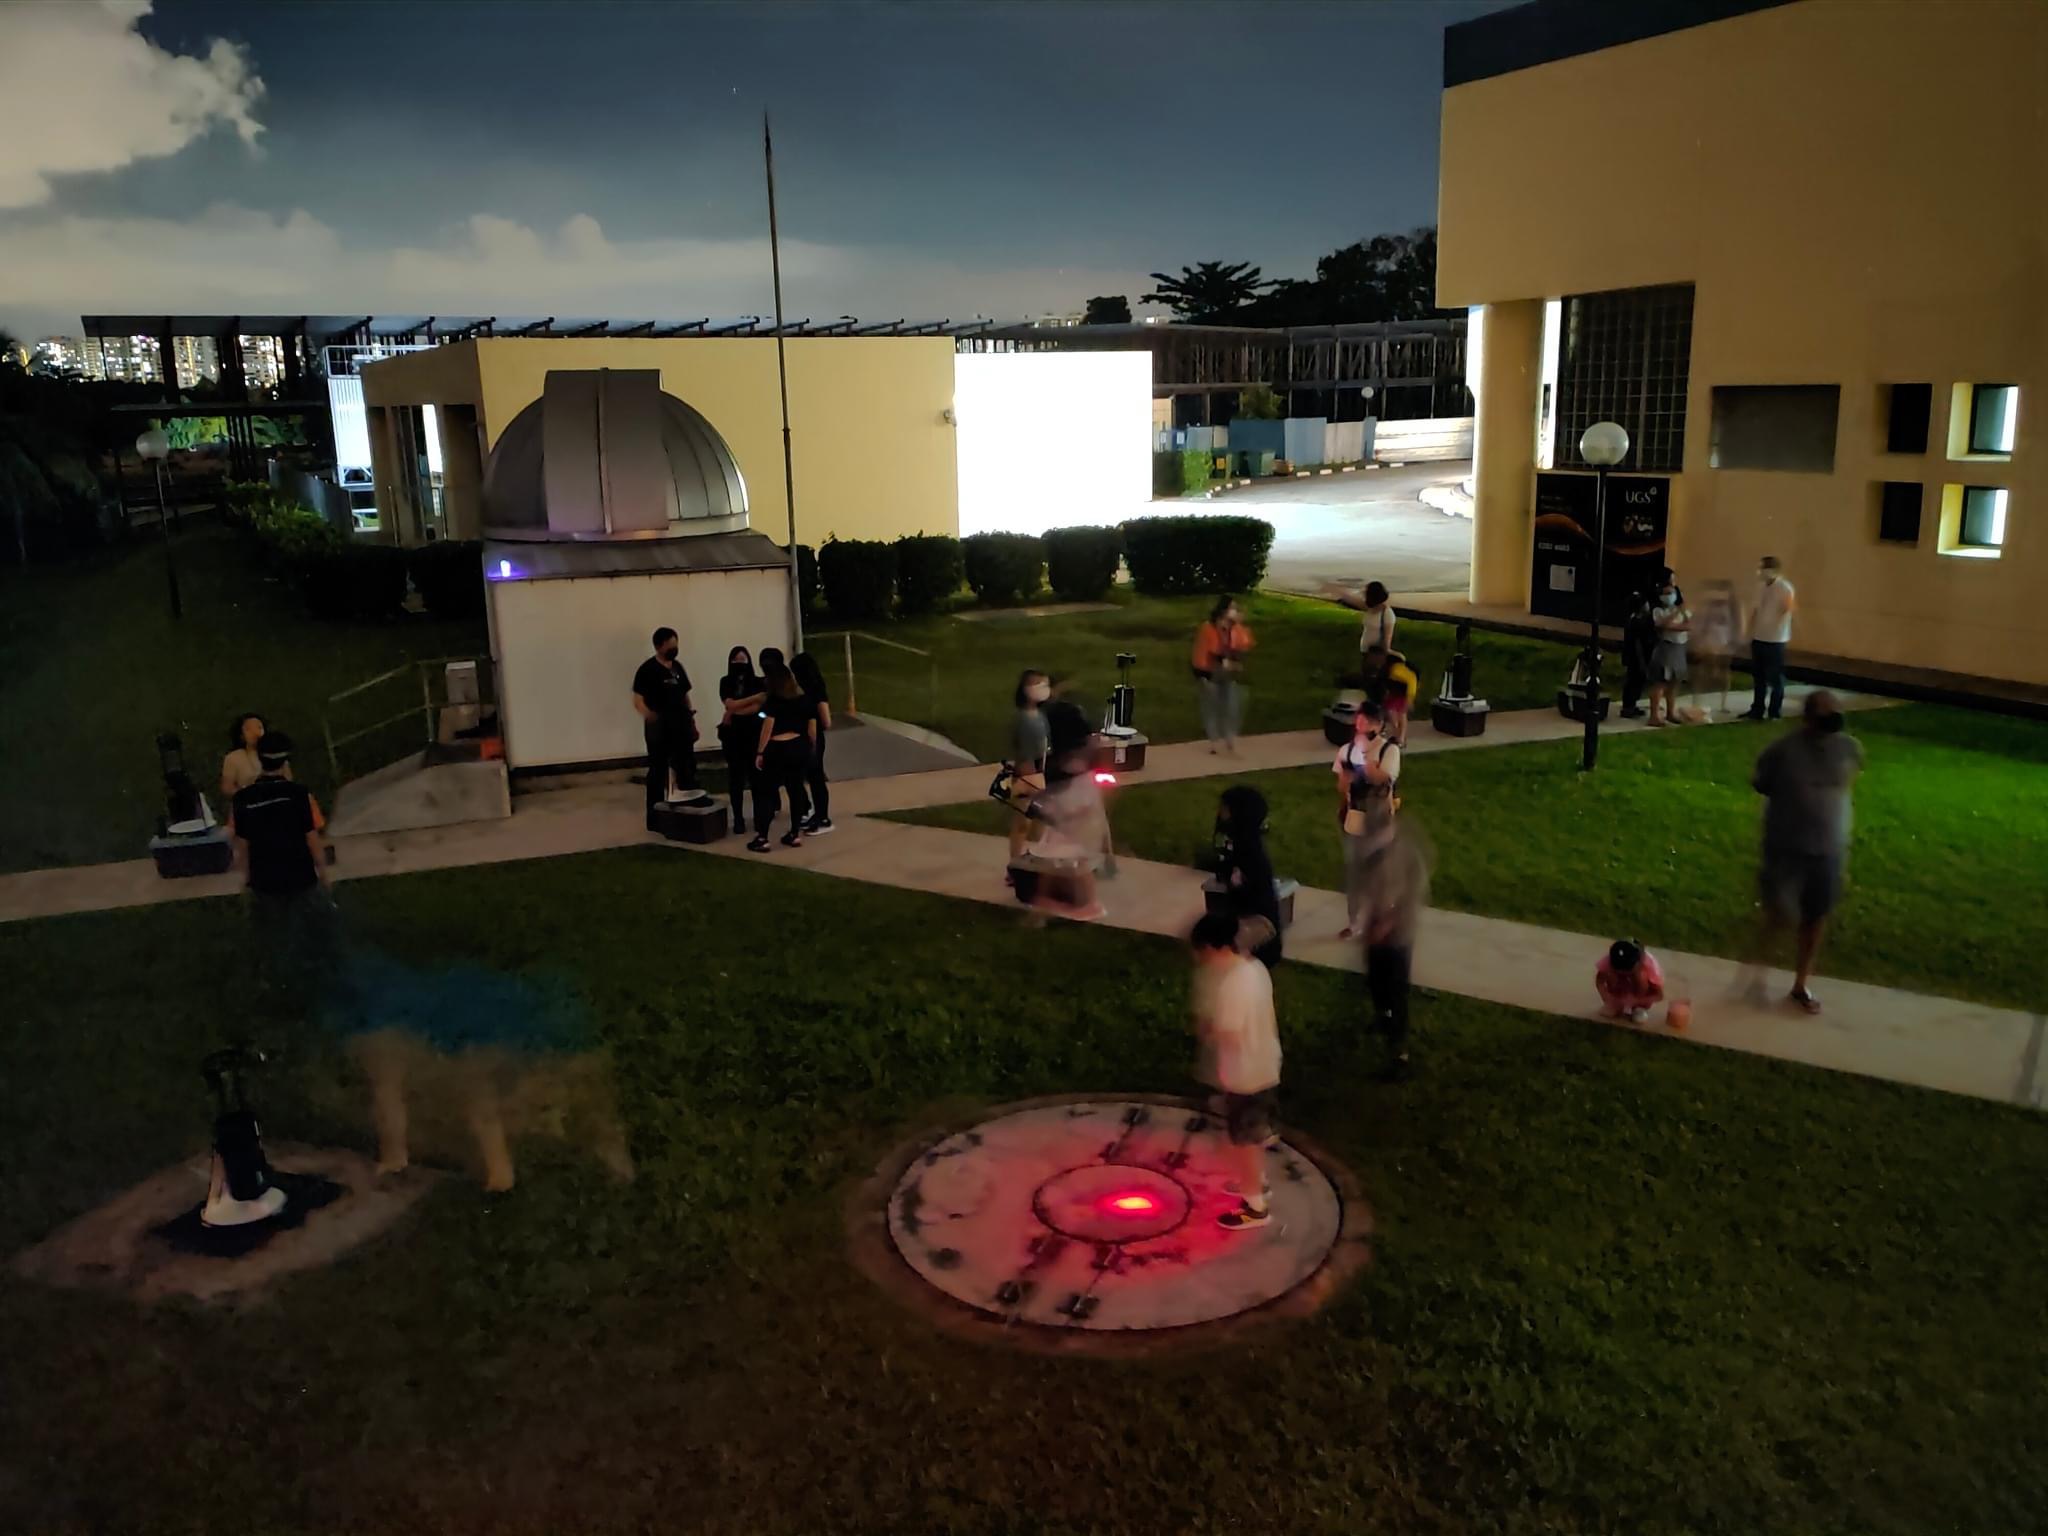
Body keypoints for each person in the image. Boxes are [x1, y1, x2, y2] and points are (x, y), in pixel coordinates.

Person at [1747, 689, 1862, 1014]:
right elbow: (1761, 783)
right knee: (1779, 915)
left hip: (1828, 850)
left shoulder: (1849, 749)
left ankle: (1800, 985)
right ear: (1809, 719)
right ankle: (1756, 979)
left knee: (1815, 917)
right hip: (1786, 846)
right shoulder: (1782, 752)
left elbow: (1850, 781)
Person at [228, 731, 336, 1009]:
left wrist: (245, 879)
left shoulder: (244, 799)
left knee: (273, 933)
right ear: (286, 763)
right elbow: (311, 838)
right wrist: (323, 871)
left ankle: (276, 984)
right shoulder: (298, 794)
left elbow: (243, 846)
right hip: (300, 875)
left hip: (264, 879)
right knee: (309, 926)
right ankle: (316, 978)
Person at [1189, 912, 1282, 1231]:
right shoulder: (1255, 968)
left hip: (1245, 1073)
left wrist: (1206, 1029)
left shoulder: (1232, 984)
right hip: (1264, 1062)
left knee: (1244, 1141)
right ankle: (1256, 1182)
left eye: (1202, 952)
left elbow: (1226, 1032)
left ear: (1214, 948)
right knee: (1248, 1133)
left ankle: (1255, 1207)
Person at [1353, 816, 1432, 1082]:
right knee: (1376, 980)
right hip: (1377, 932)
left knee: (1395, 988)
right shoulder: (1371, 855)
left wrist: (1388, 922)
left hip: (1397, 935)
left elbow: (1412, 896)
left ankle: (1399, 1052)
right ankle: (1382, 1014)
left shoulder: (1406, 857)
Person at [1334, 701, 1401, 940]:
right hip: (1354, 818)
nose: (1361, 724)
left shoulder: (1388, 750)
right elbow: (1341, 786)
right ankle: (1355, 923)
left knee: (1379, 872)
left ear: (1378, 724)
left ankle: (1384, 919)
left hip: (1379, 820)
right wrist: (1346, 778)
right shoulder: (1346, 749)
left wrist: (1362, 767)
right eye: (1359, 719)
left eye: (1367, 720)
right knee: (1354, 874)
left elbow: (1383, 776)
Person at [632, 626, 709, 830]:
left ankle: (690, 803)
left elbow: (685, 695)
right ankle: (655, 814)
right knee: (658, 769)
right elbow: (638, 699)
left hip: (681, 725)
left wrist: (692, 719)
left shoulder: (677, 668)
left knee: (686, 764)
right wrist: (649, 715)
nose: (674, 649)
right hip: (660, 727)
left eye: (676, 644)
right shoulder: (647, 670)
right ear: (659, 646)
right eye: (671, 645)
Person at [748, 647, 814, 853]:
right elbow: (811, 727)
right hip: (799, 746)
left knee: (767, 792)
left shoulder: (774, 700)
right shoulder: (802, 698)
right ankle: (794, 833)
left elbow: (768, 727)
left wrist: (760, 752)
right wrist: (810, 747)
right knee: (795, 791)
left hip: (778, 747)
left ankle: (762, 837)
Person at [1213, 784, 1282, 969]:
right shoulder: (1239, 844)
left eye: (1225, 808)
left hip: (1258, 930)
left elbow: (1249, 896)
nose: (1220, 813)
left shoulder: (1250, 852)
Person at [1191, 595, 1255, 753]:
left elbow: (1244, 645)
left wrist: (1238, 625)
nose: (1235, 611)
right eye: (1232, 608)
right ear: (1223, 610)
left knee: (1231, 703)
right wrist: (1229, 663)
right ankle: (1214, 741)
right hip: (1208, 672)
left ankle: (1229, 737)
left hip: (1226, 672)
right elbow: (1213, 652)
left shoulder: (1235, 628)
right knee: (1212, 706)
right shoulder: (1209, 628)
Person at [1005, 669, 1052, 870]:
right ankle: (1015, 865)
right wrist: (1032, 780)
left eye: (1045, 684)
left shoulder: (1040, 715)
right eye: (1038, 684)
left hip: (1040, 773)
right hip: (1028, 777)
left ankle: (1031, 860)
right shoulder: (1023, 718)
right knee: (1022, 824)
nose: (1043, 689)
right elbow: (1023, 753)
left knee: (1038, 824)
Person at [715, 646, 766, 831]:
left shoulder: (758, 681)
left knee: (756, 778)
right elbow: (730, 703)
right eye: (735, 659)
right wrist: (749, 701)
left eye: (743, 659)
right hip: (734, 736)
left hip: (753, 732)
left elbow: (758, 706)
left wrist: (735, 710)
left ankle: (760, 817)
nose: (739, 663)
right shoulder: (725, 681)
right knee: (735, 778)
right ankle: (738, 818)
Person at [1745, 555, 1797, 720]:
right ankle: (1757, 709)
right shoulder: (1760, 587)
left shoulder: (1785, 587)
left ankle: (1775, 711)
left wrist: (1777, 624)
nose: (1760, 572)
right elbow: (1755, 609)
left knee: (1775, 677)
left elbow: (1788, 608)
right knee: (1758, 676)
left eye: (1763, 568)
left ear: (1772, 570)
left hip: (1776, 640)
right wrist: (1749, 630)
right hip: (1759, 637)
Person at [791, 650, 835, 835]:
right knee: (811, 776)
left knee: (816, 777)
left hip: (815, 738)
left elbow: (826, 721)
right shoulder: (803, 692)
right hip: (805, 736)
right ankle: (816, 813)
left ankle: (823, 817)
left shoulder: (816, 692)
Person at [1325, 579, 1396, 681]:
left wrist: (1386, 654)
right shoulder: (1371, 609)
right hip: (1366, 650)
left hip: (1375, 653)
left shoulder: (1387, 614)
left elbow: (1387, 639)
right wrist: (1336, 590)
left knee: (1371, 677)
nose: (1364, 594)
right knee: (1366, 676)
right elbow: (1353, 600)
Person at [1647, 578, 1691, 727]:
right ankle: (1653, 716)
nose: (1668, 596)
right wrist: (1675, 618)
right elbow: (1662, 625)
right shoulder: (1658, 610)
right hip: (1665, 648)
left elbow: (1689, 625)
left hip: (1679, 648)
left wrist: (1681, 614)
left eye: (1671, 593)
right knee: (1660, 682)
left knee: (1674, 683)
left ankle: (1670, 713)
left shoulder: (1681, 611)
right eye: (1665, 593)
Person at [1690, 580, 1737, 719]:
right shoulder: (1708, 608)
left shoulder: (1732, 609)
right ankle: (1696, 702)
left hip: (1725, 643)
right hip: (1709, 643)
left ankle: (1723, 703)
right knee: (1703, 672)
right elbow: (1701, 624)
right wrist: (1698, 641)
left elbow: (1736, 626)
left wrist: (1733, 642)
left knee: (1724, 673)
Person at [1596, 938, 1666, 1024]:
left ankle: (1638, 1008)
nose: (1623, 972)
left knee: (1641, 977)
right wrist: (1607, 998)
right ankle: (1616, 1004)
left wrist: (1635, 1001)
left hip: (1640, 994)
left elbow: (1659, 996)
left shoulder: (1650, 966)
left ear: (1639, 962)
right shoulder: (1610, 960)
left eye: (1628, 970)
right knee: (1610, 973)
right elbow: (1600, 981)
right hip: (1621, 989)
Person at [1619, 590, 1656, 719]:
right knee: (1634, 681)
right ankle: (1628, 707)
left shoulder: (1638, 619)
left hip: (1636, 656)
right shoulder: (1636, 622)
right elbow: (1637, 643)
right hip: (1636, 657)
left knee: (1636, 681)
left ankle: (1631, 705)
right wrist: (1642, 663)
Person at [221, 712, 266, 802]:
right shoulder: (233, 758)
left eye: (259, 728)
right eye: (248, 729)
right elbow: (227, 788)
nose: (255, 733)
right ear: (241, 735)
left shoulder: (273, 754)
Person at [1380, 650, 1420, 746]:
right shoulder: (1389, 669)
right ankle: (1398, 736)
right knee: (1392, 712)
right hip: (1396, 691)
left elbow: (1412, 680)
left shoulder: (1397, 670)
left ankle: (1400, 738)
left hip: (1404, 692)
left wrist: (1409, 699)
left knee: (1400, 713)